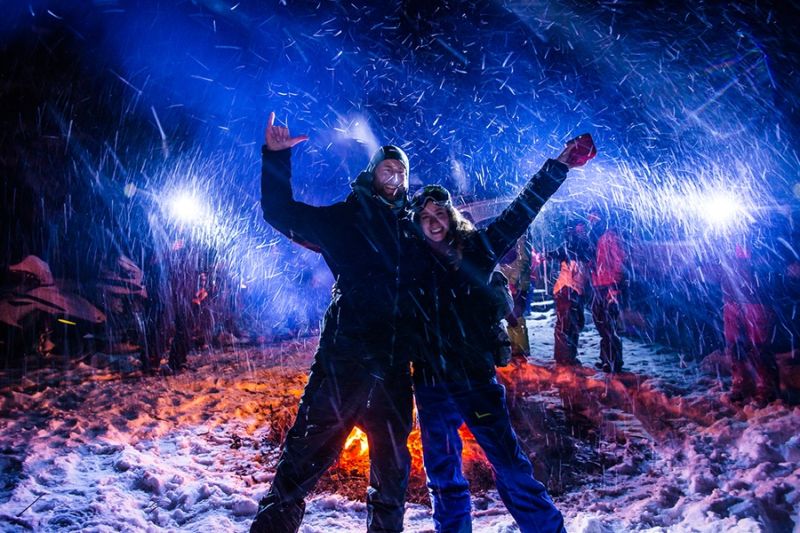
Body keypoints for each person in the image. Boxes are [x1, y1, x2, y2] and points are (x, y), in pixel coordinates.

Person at [410, 134, 596, 533]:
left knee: (510, 465)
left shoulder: (477, 249)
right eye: (425, 217)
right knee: (443, 475)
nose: (433, 222)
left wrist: (558, 165)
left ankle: (547, 529)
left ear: (450, 216)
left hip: (475, 379)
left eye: (439, 213)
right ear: (417, 223)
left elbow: (519, 213)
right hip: (430, 383)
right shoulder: (409, 266)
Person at [251, 112, 427, 533]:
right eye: (388, 166)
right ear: (372, 174)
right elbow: (280, 212)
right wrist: (275, 158)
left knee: (392, 471)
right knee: (301, 459)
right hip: (344, 361)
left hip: (392, 368)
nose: (396, 175)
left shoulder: (412, 229)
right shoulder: (347, 218)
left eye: (402, 170)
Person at [587, 207, 626, 373]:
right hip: (598, 283)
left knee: (609, 324)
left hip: (609, 284)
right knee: (600, 321)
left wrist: (615, 287)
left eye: (594, 215)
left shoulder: (609, 236)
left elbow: (619, 261)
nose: (591, 219)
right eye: (590, 216)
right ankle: (606, 357)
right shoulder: (595, 236)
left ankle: (613, 361)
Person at [551, 219, 592, 366]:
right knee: (566, 324)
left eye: (583, 228)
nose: (583, 231)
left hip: (574, 290)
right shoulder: (573, 245)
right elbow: (563, 253)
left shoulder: (582, 245)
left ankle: (567, 356)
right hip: (567, 289)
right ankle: (564, 358)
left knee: (573, 324)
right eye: (580, 228)